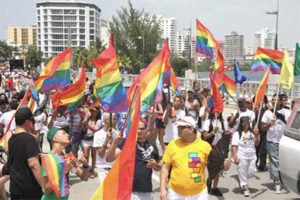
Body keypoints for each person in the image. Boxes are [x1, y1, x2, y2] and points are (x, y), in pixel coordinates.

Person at [160, 116, 231, 200]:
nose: (178, 129)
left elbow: (214, 167)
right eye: (178, 126)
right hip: (176, 193)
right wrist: (162, 189)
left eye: (181, 127)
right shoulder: (172, 145)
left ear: (191, 129)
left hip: (199, 194)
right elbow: (165, 168)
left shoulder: (205, 146)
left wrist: (224, 167)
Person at [107, 119, 161, 200]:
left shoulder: (152, 145)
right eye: (137, 128)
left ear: (146, 130)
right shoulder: (126, 142)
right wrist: (114, 144)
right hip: (129, 191)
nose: (139, 131)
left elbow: (158, 168)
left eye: (142, 129)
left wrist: (155, 165)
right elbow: (109, 158)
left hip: (147, 190)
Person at [41, 127, 89, 200]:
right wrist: (64, 170)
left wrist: (85, 165)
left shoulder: (68, 158)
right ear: (55, 138)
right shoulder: (48, 159)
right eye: (64, 133)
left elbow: (84, 178)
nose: (68, 135)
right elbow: (47, 189)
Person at [7, 106, 43, 199]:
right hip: (29, 190)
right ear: (27, 122)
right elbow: (33, 164)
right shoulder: (29, 139)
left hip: (15, 189)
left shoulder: (11, 139)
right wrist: (44, 186)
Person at [261, 95, 290, 194]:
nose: (273, 102)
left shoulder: (286, 112)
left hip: (283, 141)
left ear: (280, 101)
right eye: (272, 100)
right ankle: (276, 182)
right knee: (274, 161)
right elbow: (263, 127)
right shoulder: (268, 113)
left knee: (282, 162)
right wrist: (270, 123)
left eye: (276, 100)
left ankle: (282, 180)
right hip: (271, 141)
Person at [231, 116, 260, 197]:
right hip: (242, 155)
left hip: (252, 155)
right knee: (242, 171)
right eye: (245, 122)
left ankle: (242, 180)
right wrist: (235, 157)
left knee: (253, 171)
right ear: (241, 123)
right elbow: (234, 146)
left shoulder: (253, 133)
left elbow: (257, 144)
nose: (247, 124)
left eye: (248, 122)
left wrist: (257, 134)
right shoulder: (237, 133)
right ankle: (245, 187)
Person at [202, 110, 226, 196]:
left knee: (218, 168)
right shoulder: (208, 122)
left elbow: (224, 134)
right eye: (216, 110)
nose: (218, 112)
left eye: (219, 110)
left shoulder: (222, 122)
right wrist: (213, 132)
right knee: (211, 167)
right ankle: (208, 181)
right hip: (210, 147)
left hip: (219, 148)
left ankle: (215, 187)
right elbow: (205, 136)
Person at [93, 113, 120, 183]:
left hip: (114, 168)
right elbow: (101, 154)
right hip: (103, 168)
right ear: (107, 121)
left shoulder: (116, 133)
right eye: (114, 119)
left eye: (116, 119)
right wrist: (106, 140)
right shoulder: (98, 134)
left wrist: (114, 142)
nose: (116, 121)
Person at [83, 107, 101, 178]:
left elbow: (95, 130)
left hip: (94, 140)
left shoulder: (98, 121)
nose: (93, 113)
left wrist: (87, 124)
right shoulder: (87, 118)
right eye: (92, 111)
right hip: (86, 139)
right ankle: (86, 171)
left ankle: (92, 171)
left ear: (97, 113)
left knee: (93, 156)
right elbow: (82, 127)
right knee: (86, 156)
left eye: (95, 111)